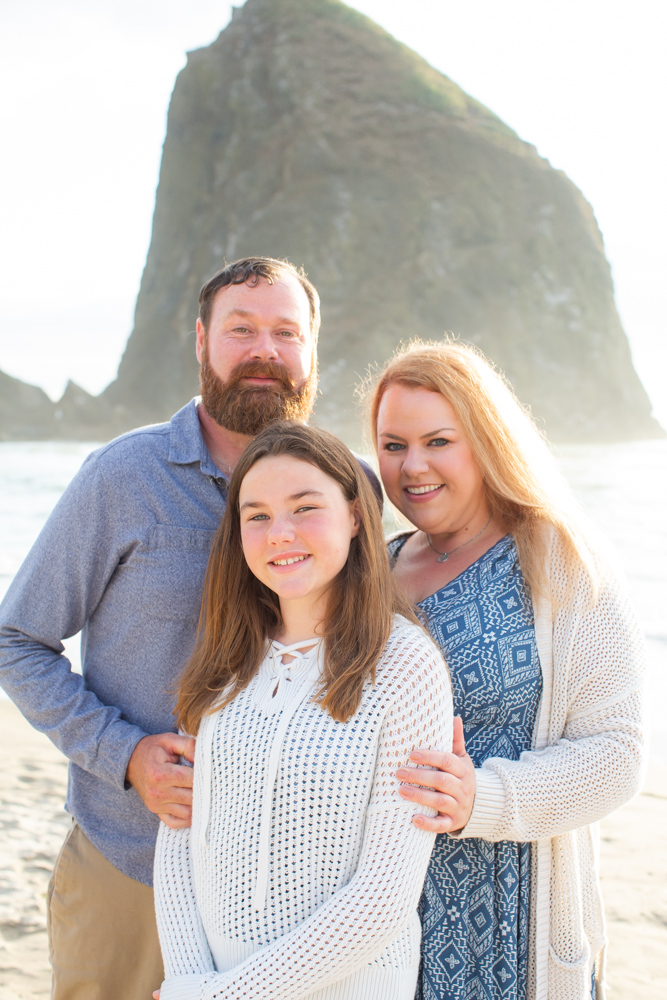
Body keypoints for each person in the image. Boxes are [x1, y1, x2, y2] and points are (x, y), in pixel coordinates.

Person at [0, 257, 378, 1000]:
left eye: (284, 333)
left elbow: (371, 646)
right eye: (242, 330)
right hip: (132, 862)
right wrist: (126, 755)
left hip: (295, 879)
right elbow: (17, 639)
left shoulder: (355, 488)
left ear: (311, 351)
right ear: (202, 342)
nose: (264, 350)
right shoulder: (123, 476)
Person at [363, 341, 645, 1000]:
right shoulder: (368, 570)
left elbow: (617, 754)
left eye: (438, 440)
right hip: (376, 936)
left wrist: (478, 799)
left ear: (485, 439)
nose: (413, 466)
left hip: (509, 942)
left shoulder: (560, 559)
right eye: (393, 445)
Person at [153, 420, 452, 1000]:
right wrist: (189, 981)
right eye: (257, 515)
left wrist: (226, 996)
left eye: (304, 508)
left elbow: (383, 896)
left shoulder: (404, 666)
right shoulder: (227, 658)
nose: (279, 534)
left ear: (356, 516)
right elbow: (180, 836)